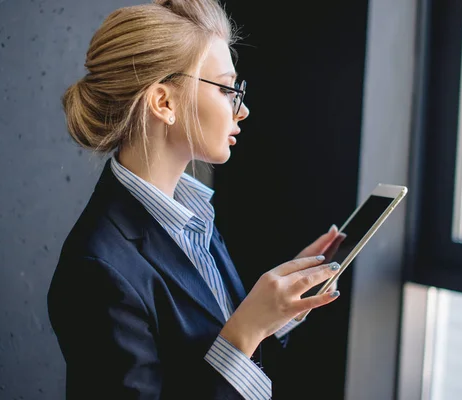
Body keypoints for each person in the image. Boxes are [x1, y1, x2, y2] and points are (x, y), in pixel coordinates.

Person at [47, 1, 346, 399]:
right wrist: (247, 329)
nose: (243, 110)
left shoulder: (192, 217)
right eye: (227, 89)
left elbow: (208, 356)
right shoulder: (96, 269)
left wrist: (279, 311)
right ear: (164, 103)